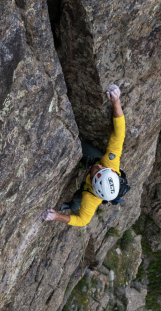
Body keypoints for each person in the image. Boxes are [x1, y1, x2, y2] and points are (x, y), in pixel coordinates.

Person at [43, 84, 124, 227]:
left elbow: (82, 221)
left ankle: (70, 206)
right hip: (96, 162)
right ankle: (82, 161)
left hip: (87, 191)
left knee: (76, 200)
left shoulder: (90, 200)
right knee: (76, 147)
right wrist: (116, 102)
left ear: (93, 181)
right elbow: (119, 134)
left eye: (97, 171)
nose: (99, 166)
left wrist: (56, 216)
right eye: (102, 169)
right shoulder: (110, 164)